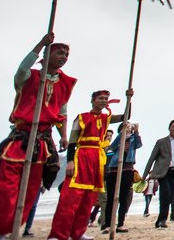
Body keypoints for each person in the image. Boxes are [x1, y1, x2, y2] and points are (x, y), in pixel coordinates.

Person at [0, 33, 77, 240]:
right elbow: (22, 69)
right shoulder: (29, 77)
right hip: (20, 140)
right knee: (5, 188)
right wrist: (41, 44)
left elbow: (62, 111)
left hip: (42, 143)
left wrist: (63, 135)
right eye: (60, 52)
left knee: (31, 191)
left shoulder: (64, 84)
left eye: (66, 54)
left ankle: (6, 232)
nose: (64, 56)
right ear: (46, 55)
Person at [50, 90, 124, 240]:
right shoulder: (81, 118)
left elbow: (125, 116)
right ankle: (58, 234)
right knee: (70, 198)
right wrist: (70, 161)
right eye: (101, 98)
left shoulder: (106, 118)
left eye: (106, 99)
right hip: (82, 157)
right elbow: (72, 142)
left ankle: (78, 232)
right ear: (93, 100)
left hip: (97, 160)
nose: (104, 101)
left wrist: (129, 98)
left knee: (88, 199)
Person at [143, 119, 174, 228]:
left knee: (171, 196)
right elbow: (152, 158)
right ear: (169, 128)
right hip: (163, 172)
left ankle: (160, 220)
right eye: (173, 127)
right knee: (165, 194)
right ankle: (162, 220)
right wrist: (145, 175)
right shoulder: (161, 142)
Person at [104, 121, 143, 231]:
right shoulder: (119, 138)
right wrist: (122, 134)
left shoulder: (133, 138)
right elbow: (112, 147)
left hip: (127, 168)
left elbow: (139, 145)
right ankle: (108, 224)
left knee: (123, 198)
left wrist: (136, 132)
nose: (128, 128)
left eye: (129, 126)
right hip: (114, 169)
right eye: (126, 126)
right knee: (111, 198)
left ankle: (120, 223)